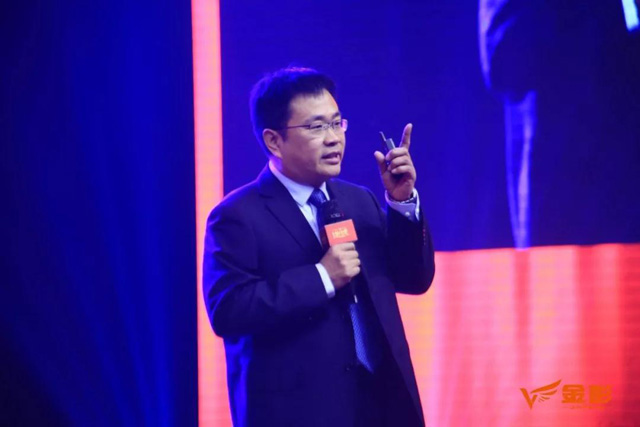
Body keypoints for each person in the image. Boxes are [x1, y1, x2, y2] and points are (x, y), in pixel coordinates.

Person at [203, 67, 435, 427]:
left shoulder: (360, 201)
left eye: (337, 123)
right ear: (274, 141)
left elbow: (413, 279)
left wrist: (402, 202)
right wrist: (322, 277)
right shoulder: (236, 216)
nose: (333, 139)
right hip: (298, 413)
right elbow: (228, 311)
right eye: (316, 127)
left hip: (381, 406)